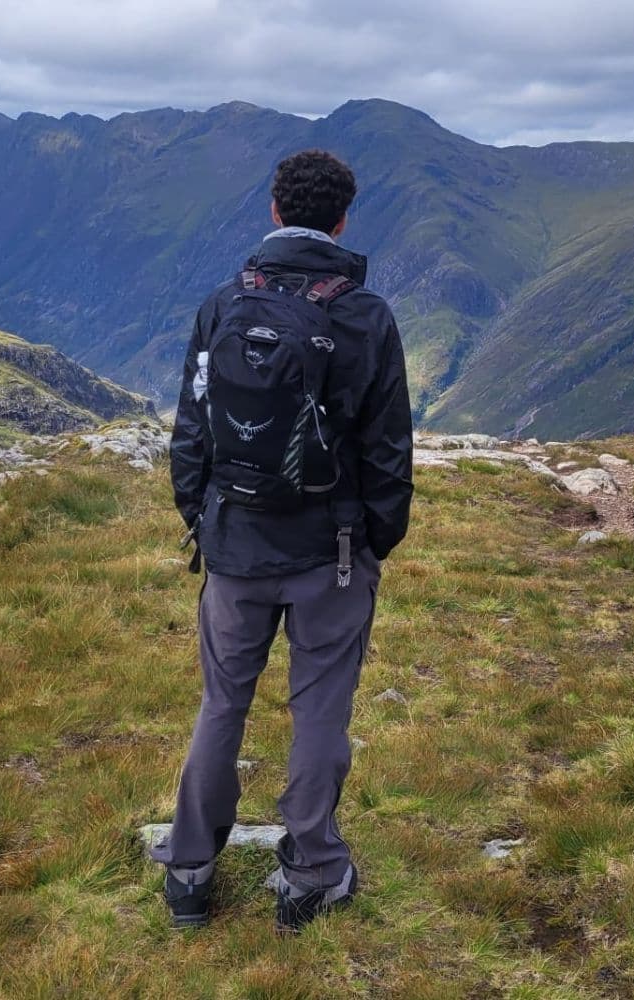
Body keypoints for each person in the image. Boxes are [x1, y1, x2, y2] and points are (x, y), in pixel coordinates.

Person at [151, 149, 413, 933]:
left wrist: (203, 518)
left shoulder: (225, 303)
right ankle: (312, 873)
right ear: (343, 218)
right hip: (328, 553)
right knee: (321, 714)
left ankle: (191, 870)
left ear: (274, 210)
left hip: (234, 547)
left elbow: (192, 428)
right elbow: (387, 449)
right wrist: (371, 544)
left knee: (221, 705)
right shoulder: (364, 317)